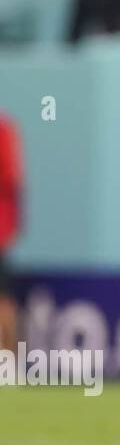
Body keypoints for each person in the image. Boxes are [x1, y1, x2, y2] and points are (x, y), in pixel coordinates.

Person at [0, 110, 21, 355]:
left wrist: (13, 225)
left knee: (3, 300)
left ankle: (8, 359)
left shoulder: (4, 130)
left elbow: (13, 180)